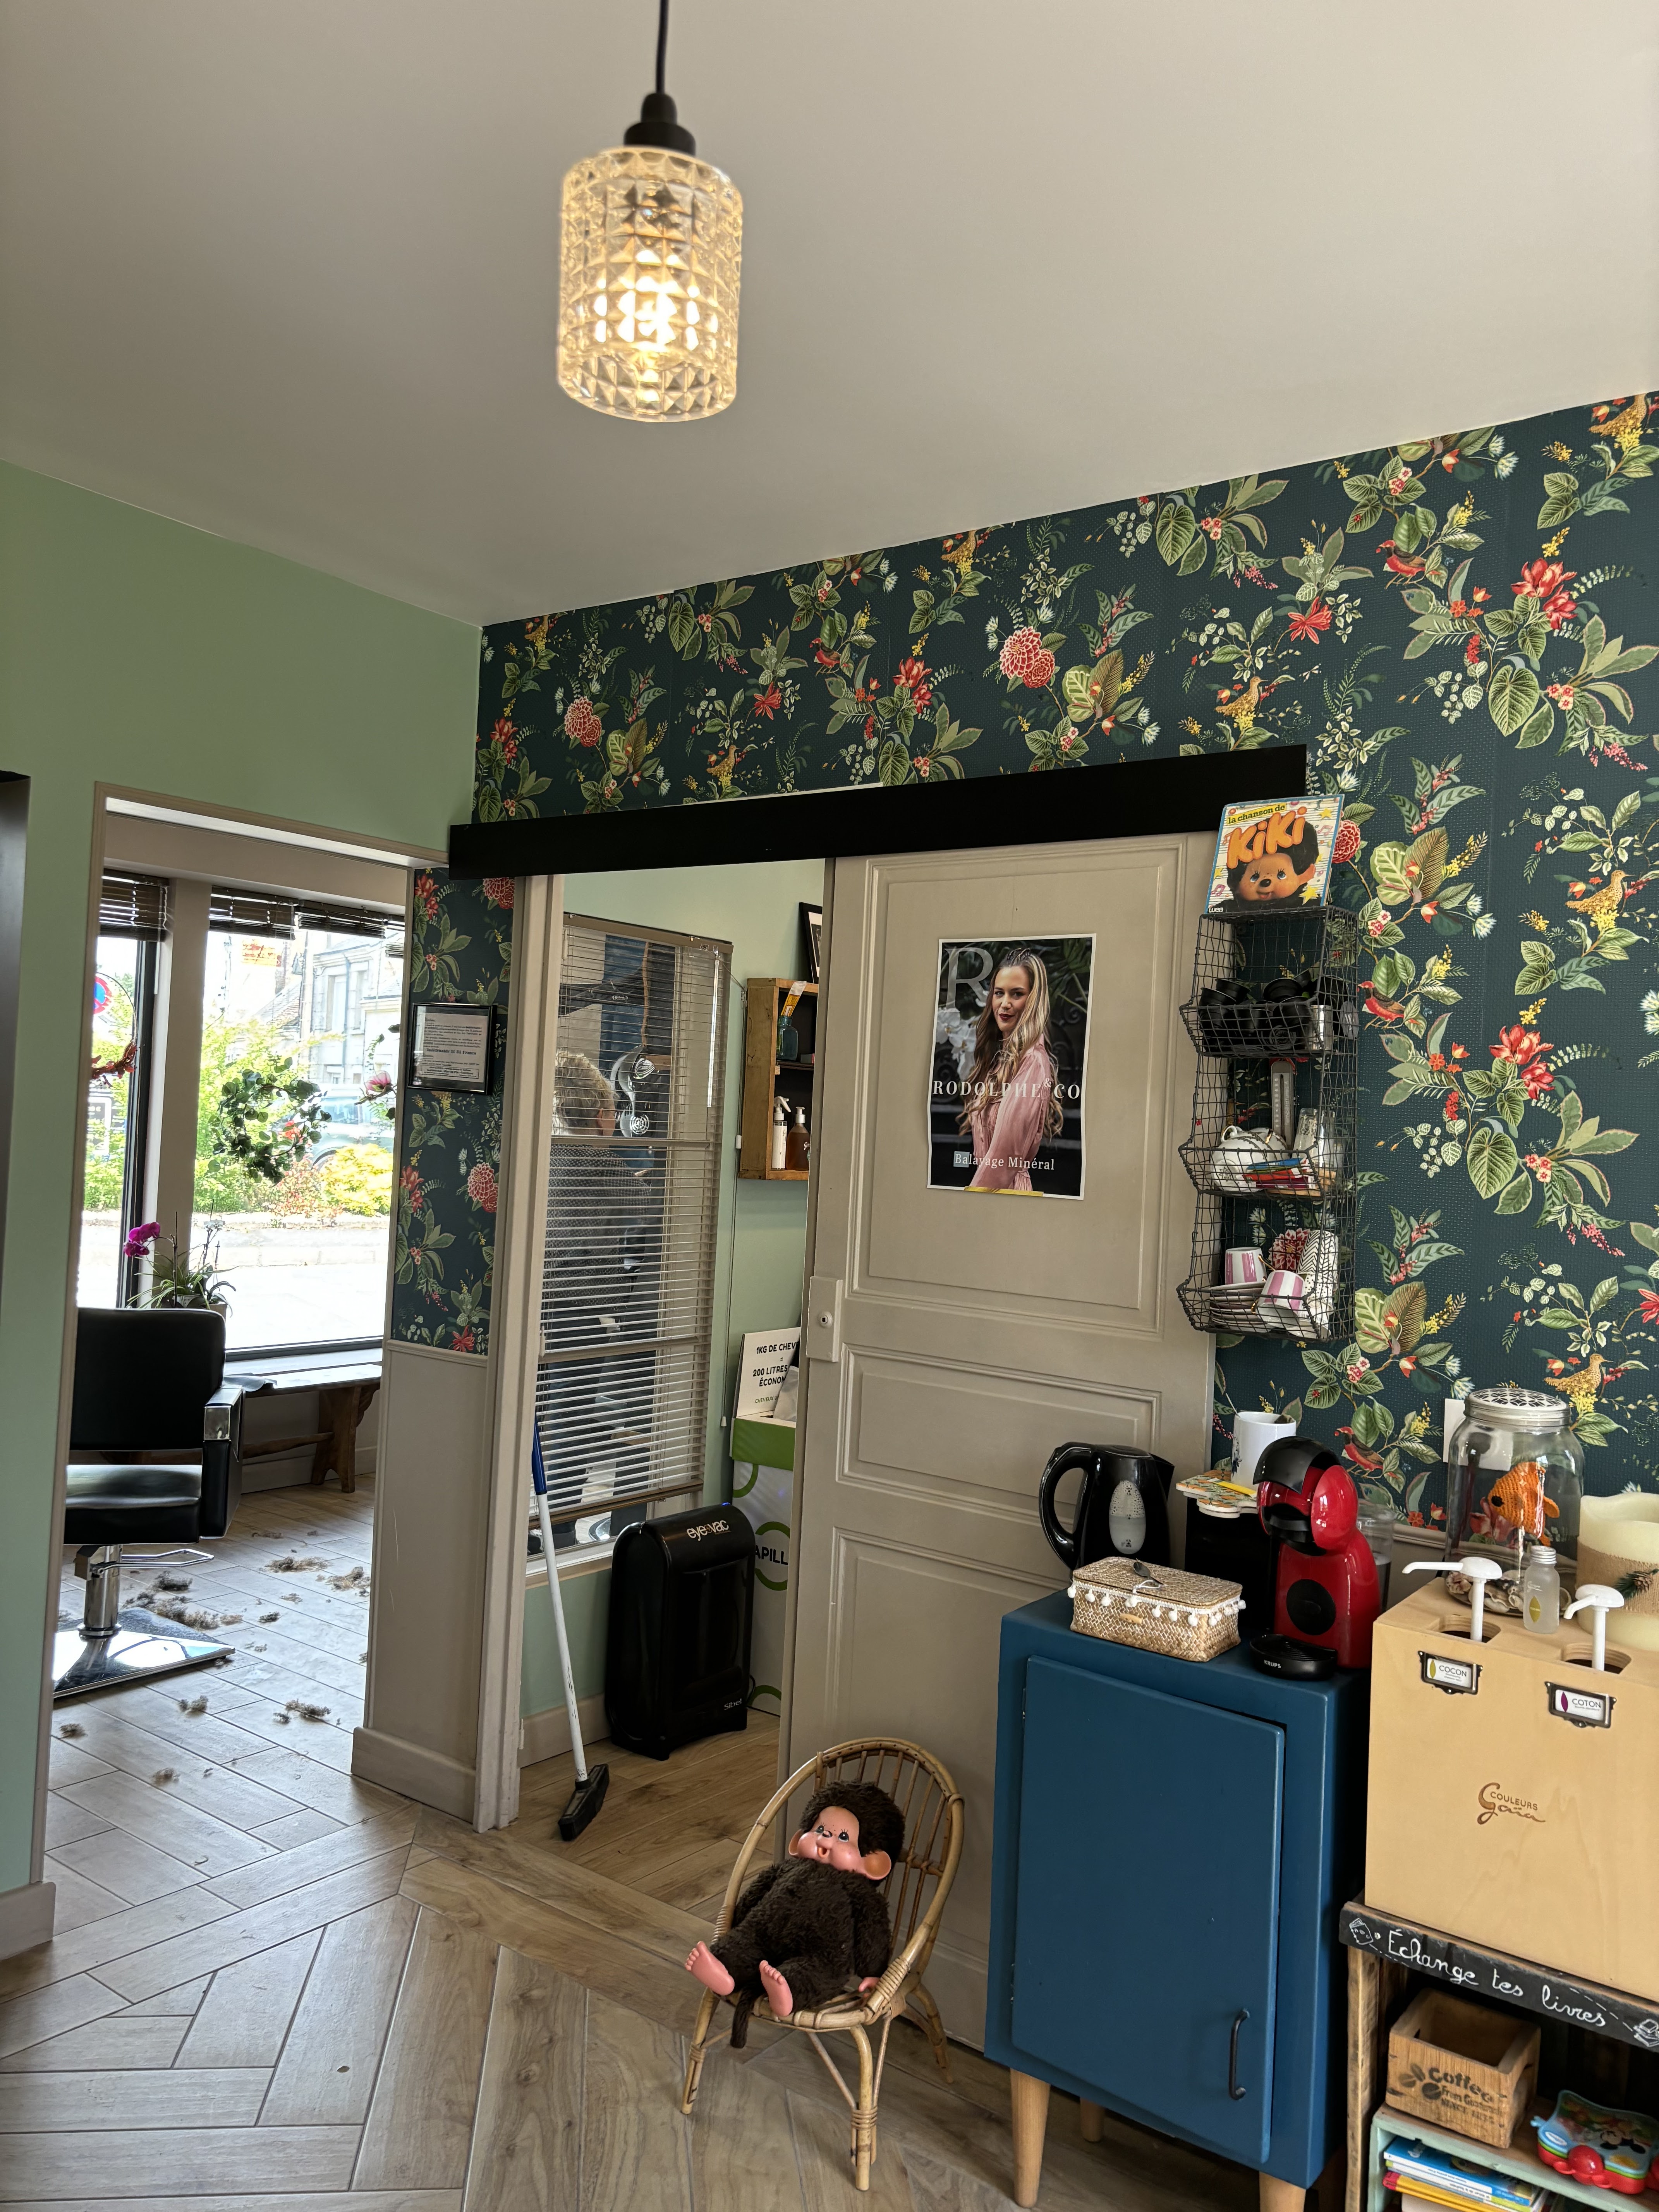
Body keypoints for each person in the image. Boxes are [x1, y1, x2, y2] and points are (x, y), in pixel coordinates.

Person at [540, 1050, 652, 1529]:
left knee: (551, 1409)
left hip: (540, 1301)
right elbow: (647, 1212)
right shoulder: (605, 1169)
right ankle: (562, 1524)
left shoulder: (543, 1158)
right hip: (583, 1306)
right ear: (605, 1115)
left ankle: (545, 1521)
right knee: (573, 1414)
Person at [957, 951, 1063, 1193]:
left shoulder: (1033, 1062)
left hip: (1006, 1194)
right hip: (993, 1193)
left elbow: (1004, 1159)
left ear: (1033, 1000)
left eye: (1017, 994)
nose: (1005, 1004)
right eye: (999, 993)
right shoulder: (999, 1058)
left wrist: (969, 1202)